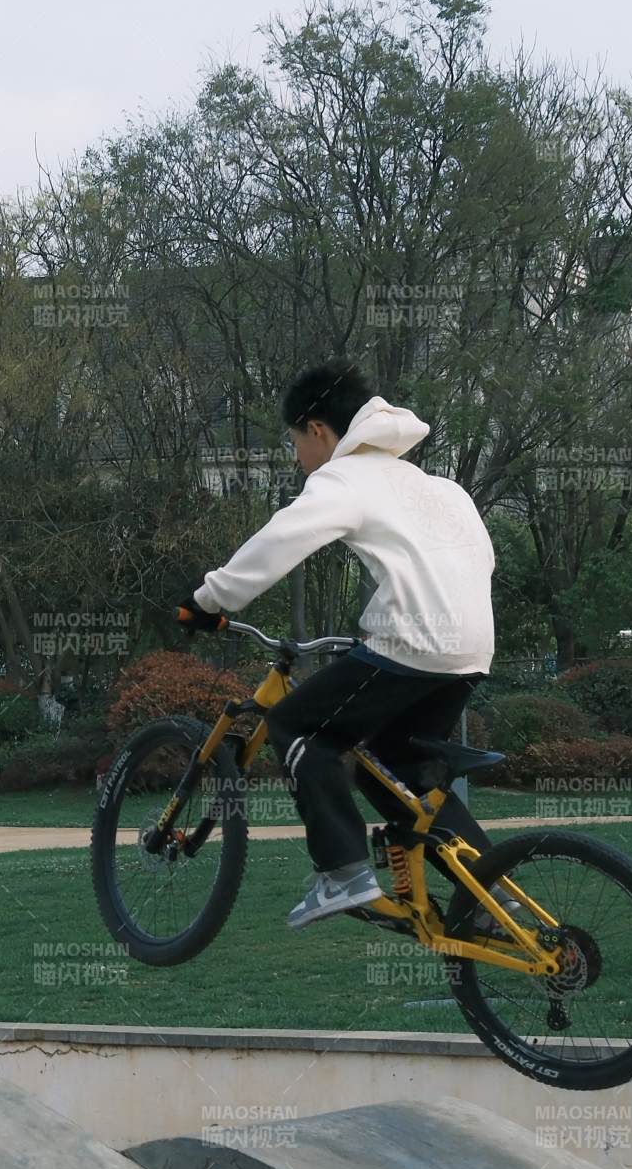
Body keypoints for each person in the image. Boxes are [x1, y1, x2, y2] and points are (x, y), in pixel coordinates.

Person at [180, 360, 497, 928]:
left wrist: (208, 600)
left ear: (318, 429)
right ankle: (496, 897)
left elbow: (278, 542)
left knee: (297, 727)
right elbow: (475, 564)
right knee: (404, 774)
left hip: (412, 646)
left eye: (295, 442)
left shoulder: (344, 478)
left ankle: (343, 873)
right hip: (470, 653)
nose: (299, 457)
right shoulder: (440, 487)